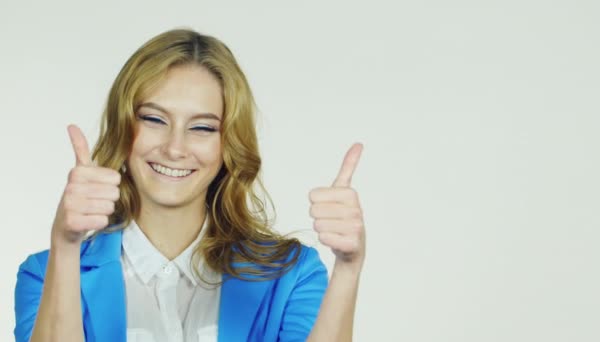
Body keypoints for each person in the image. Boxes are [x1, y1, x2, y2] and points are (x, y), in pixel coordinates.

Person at [14, 28, 366, 342]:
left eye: (202, 127)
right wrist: (65, 244)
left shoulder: (292, 275)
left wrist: (349, 268)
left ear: (228, 144)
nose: (174, 148)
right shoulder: (47, 273)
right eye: (154, 119)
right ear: (123, 129)